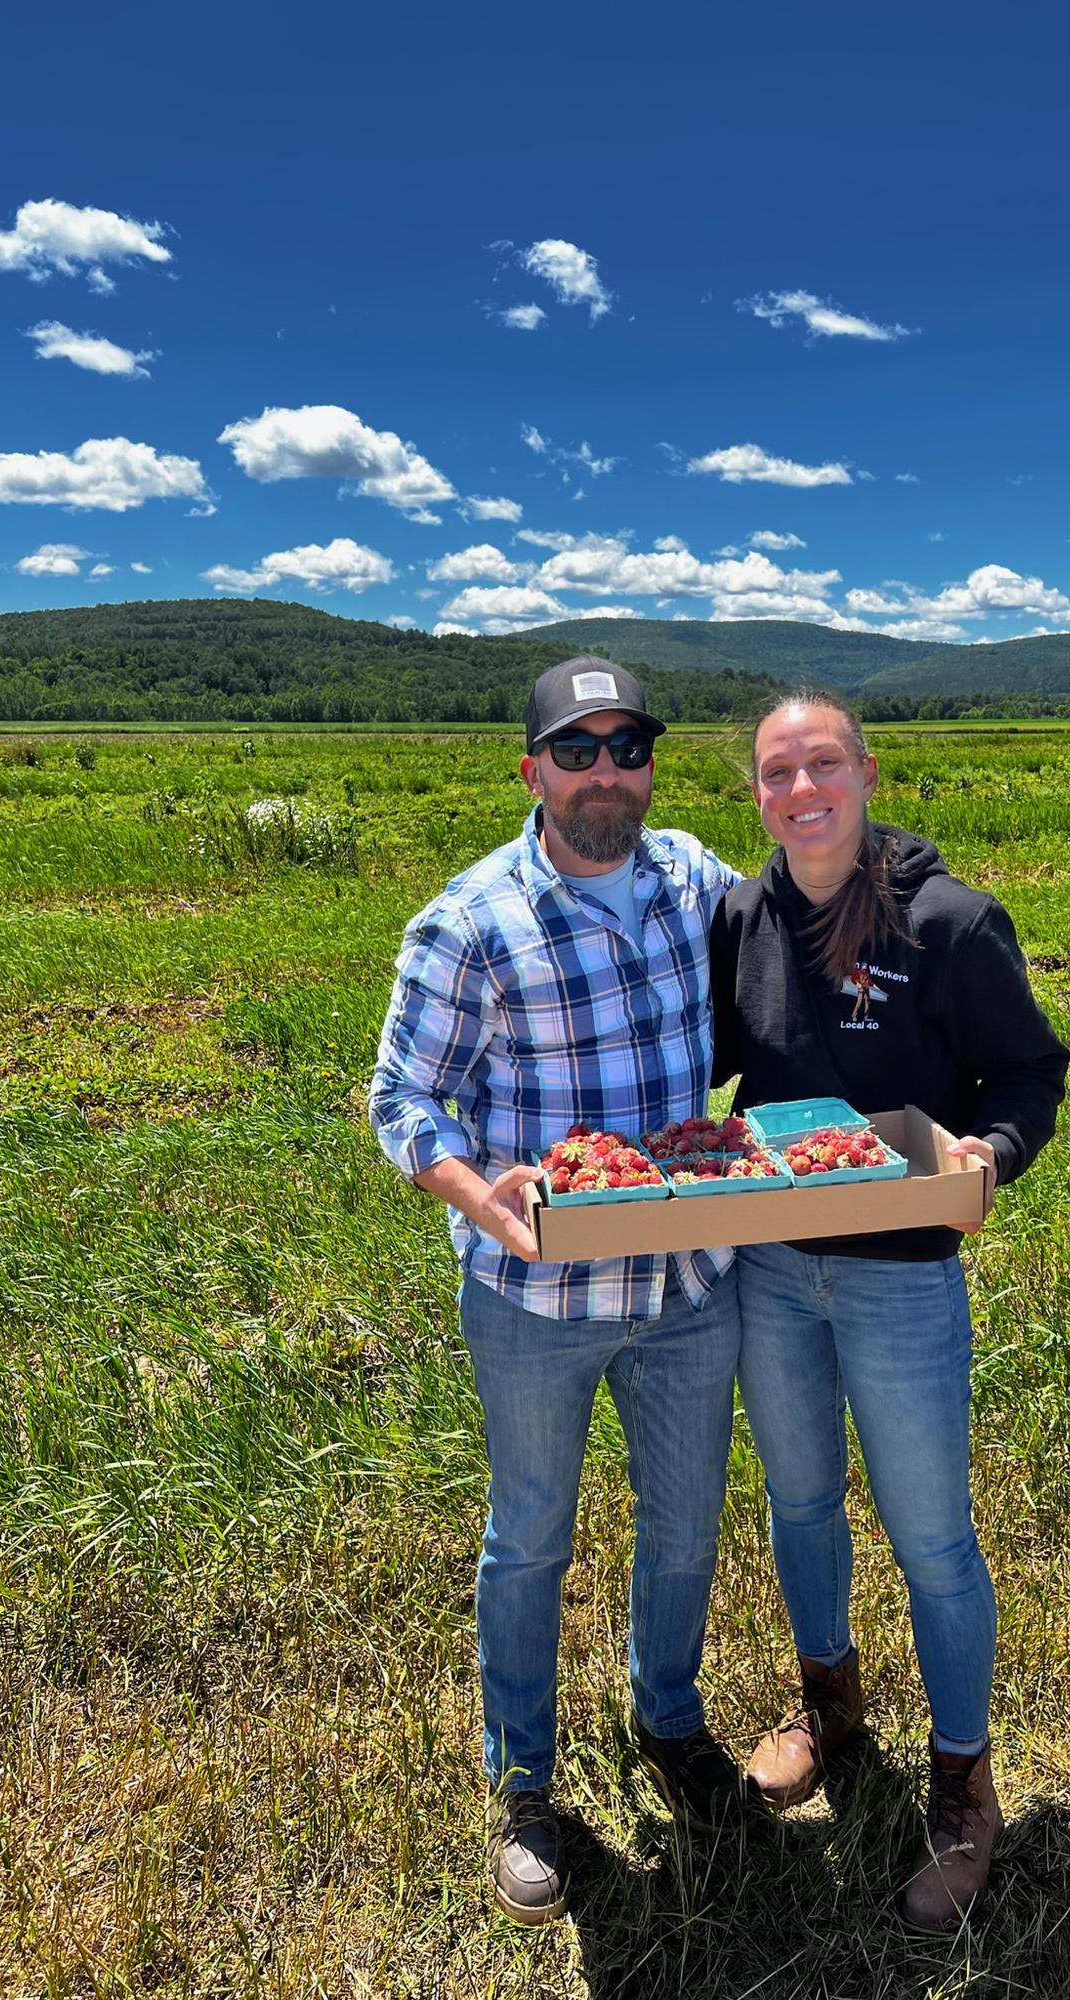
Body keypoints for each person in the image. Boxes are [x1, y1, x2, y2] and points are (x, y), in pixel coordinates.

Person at [370, 658, 747, 1925]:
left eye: (625, 746)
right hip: (536, 1302)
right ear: (529, 766)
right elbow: (402, 1103)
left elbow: (806, 927)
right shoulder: (468, 921)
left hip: (691, 1279)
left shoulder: (693, 877)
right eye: (574, 751)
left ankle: (670, 1721)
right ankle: (526, 1783)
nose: (604, 774)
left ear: (651, 762)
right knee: (529, 1536)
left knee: (686, 1523)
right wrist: (490, 1203)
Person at [709, 689, 1070, 1932]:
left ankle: (964, 1782)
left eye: (822, 763)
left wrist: (995, 1148)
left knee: (931, 1535)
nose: (800, 788)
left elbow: (1030, 1069)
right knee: (799, 1495)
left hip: (902, 1269)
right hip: (771, 1262)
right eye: (775, 771)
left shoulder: (950, 924)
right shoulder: (743, 916)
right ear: (755, 793)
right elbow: (717, 1073)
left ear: (865, 772)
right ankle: (830, 1706)